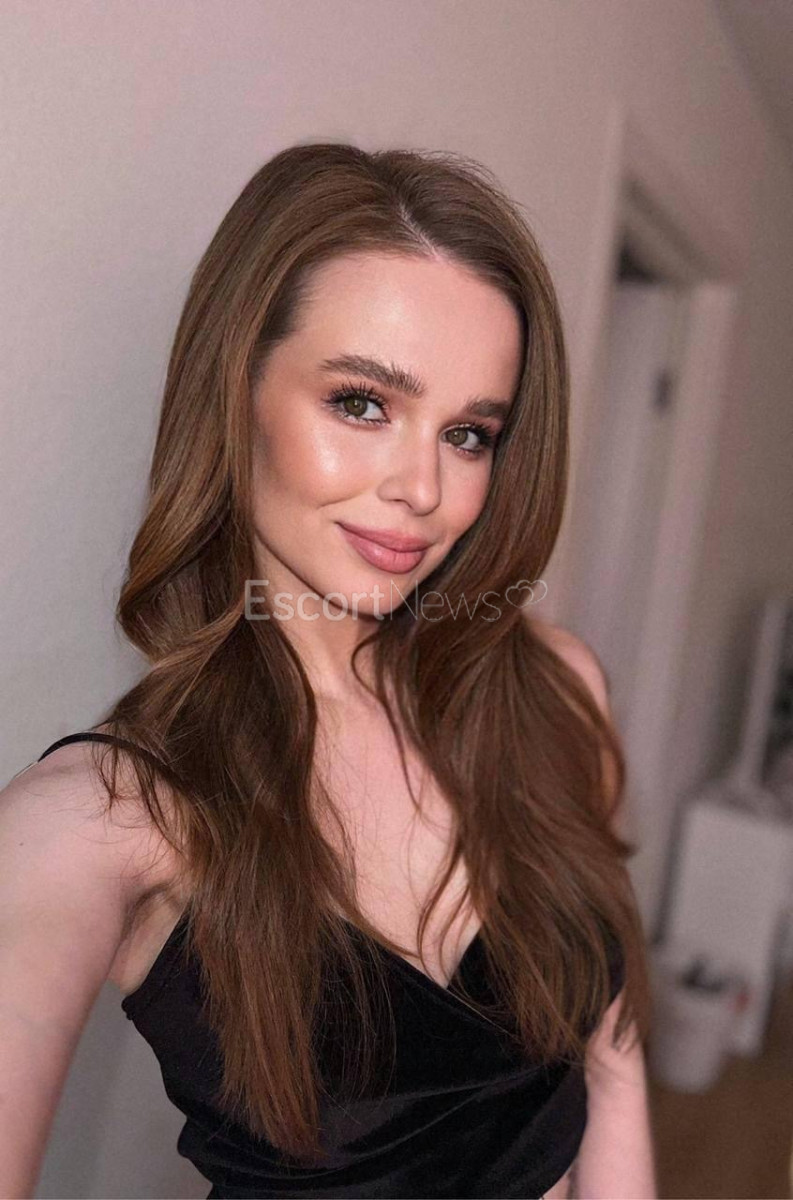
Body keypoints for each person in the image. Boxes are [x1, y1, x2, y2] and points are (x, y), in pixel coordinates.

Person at [1, 142, 656, 1199]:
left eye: (469, 433)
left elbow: (611, 1063)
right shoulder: (103, 816)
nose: (423, 489)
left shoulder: (556, 692)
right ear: (235, 392)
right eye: (361, 403)